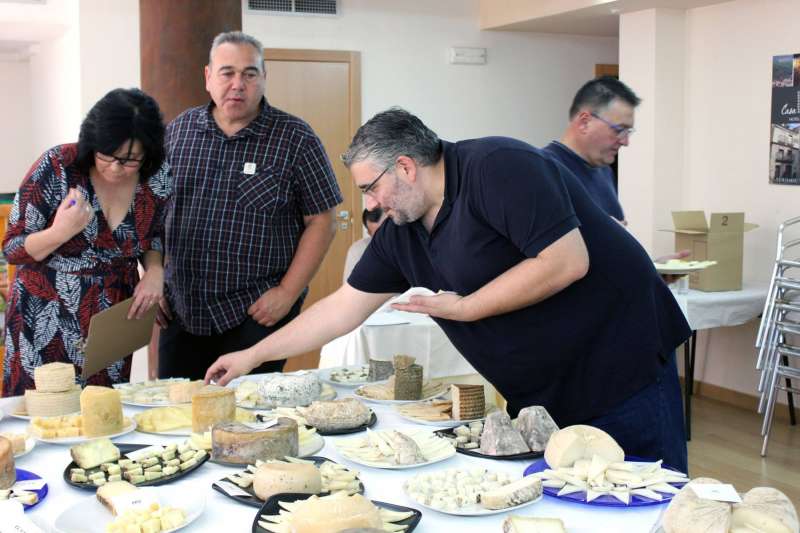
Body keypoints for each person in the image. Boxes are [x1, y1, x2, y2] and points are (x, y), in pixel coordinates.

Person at [205, 108, 692, 473]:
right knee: (574, 500)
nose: (371, 204)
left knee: (644, 494)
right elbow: (342, 308)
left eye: (372, 188)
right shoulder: (403, 228)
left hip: (621, 364)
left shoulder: (499, 166)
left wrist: (467, 308)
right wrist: (252, 354)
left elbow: (566, 261)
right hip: (546, 387)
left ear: (406, 166)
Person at [157, 31, 342, 381]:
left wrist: (287, 293)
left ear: (264, 77)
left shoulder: (296, 138)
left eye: (250, 74)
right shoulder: (178, 133)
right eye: (227, 73)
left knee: (249, 419)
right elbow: (150, 213)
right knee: (177, 416)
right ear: (208, 77)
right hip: (182, 311)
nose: (238, 84)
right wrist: (151, 277)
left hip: (256, 314)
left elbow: (322, 221)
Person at [2, 88, 170, 396]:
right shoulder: (58, 166)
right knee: (40, 417)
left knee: (102, 414)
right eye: (108, 156)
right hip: (44, 316)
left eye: (130, 160)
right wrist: (60, 232)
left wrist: (155, 271)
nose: (117, 168)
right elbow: (12, 248)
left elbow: (154, 235)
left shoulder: (157, 176)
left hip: (111, 320)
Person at [546, 77, 690, 278]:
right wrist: (600, 235)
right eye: (619, 129)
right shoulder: (545, 170)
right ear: (585, 122)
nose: (626, 141)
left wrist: (650, 269)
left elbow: (607, 254)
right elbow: (546, 260)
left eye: (629, 131)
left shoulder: (603, 171)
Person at [342, 208, 386, 283]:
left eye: (385, 230)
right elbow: (349, 286)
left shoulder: (407, 243)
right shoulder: (358, 250)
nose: (383, 238)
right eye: (376, 235)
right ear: (369, 233)